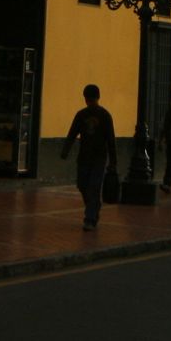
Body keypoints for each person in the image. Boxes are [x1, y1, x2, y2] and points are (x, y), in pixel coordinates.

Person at [61, 84, 117, 231]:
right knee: (82, 185)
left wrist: (113, 161)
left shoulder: (105, 116)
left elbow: (111, 139)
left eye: (91, 99)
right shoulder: (81, 115)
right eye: (88, 99)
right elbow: (72, 133)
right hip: (84, 156)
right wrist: (65, 150)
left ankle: (90, 218)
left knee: (94, 187)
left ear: (96, 98)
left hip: (99, 157)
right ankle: (94, 206)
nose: (89, 101)